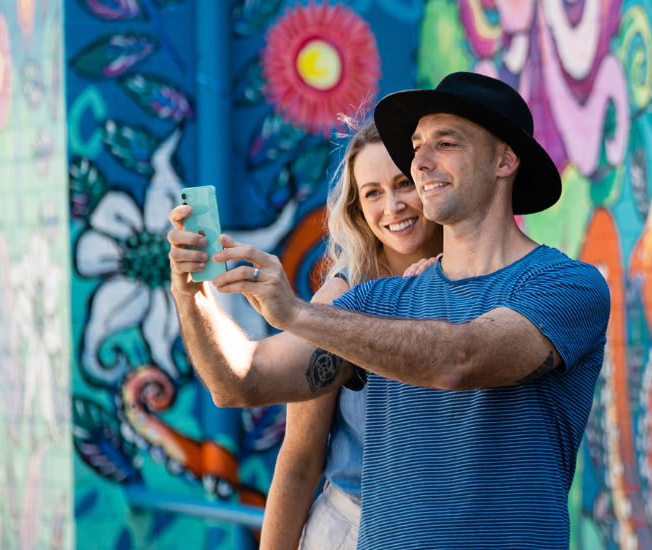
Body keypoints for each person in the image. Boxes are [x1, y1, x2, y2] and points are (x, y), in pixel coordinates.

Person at [168, 71, 610, 548]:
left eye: (445, 143)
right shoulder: (372, 302)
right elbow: (244, 380)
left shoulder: (567, 285)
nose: (419, 162)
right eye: (417, 146)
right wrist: (192, 296)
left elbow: (461, 360)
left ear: (505, 158)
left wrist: (296, 313)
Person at [166, 120, 442, 550]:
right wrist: (192, 296)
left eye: (403, 184)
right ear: (356, 210)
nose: (392, 206)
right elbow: (298, 460)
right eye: (372, 193)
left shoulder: (482, 282)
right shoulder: (344, 298)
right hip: (354, 527)